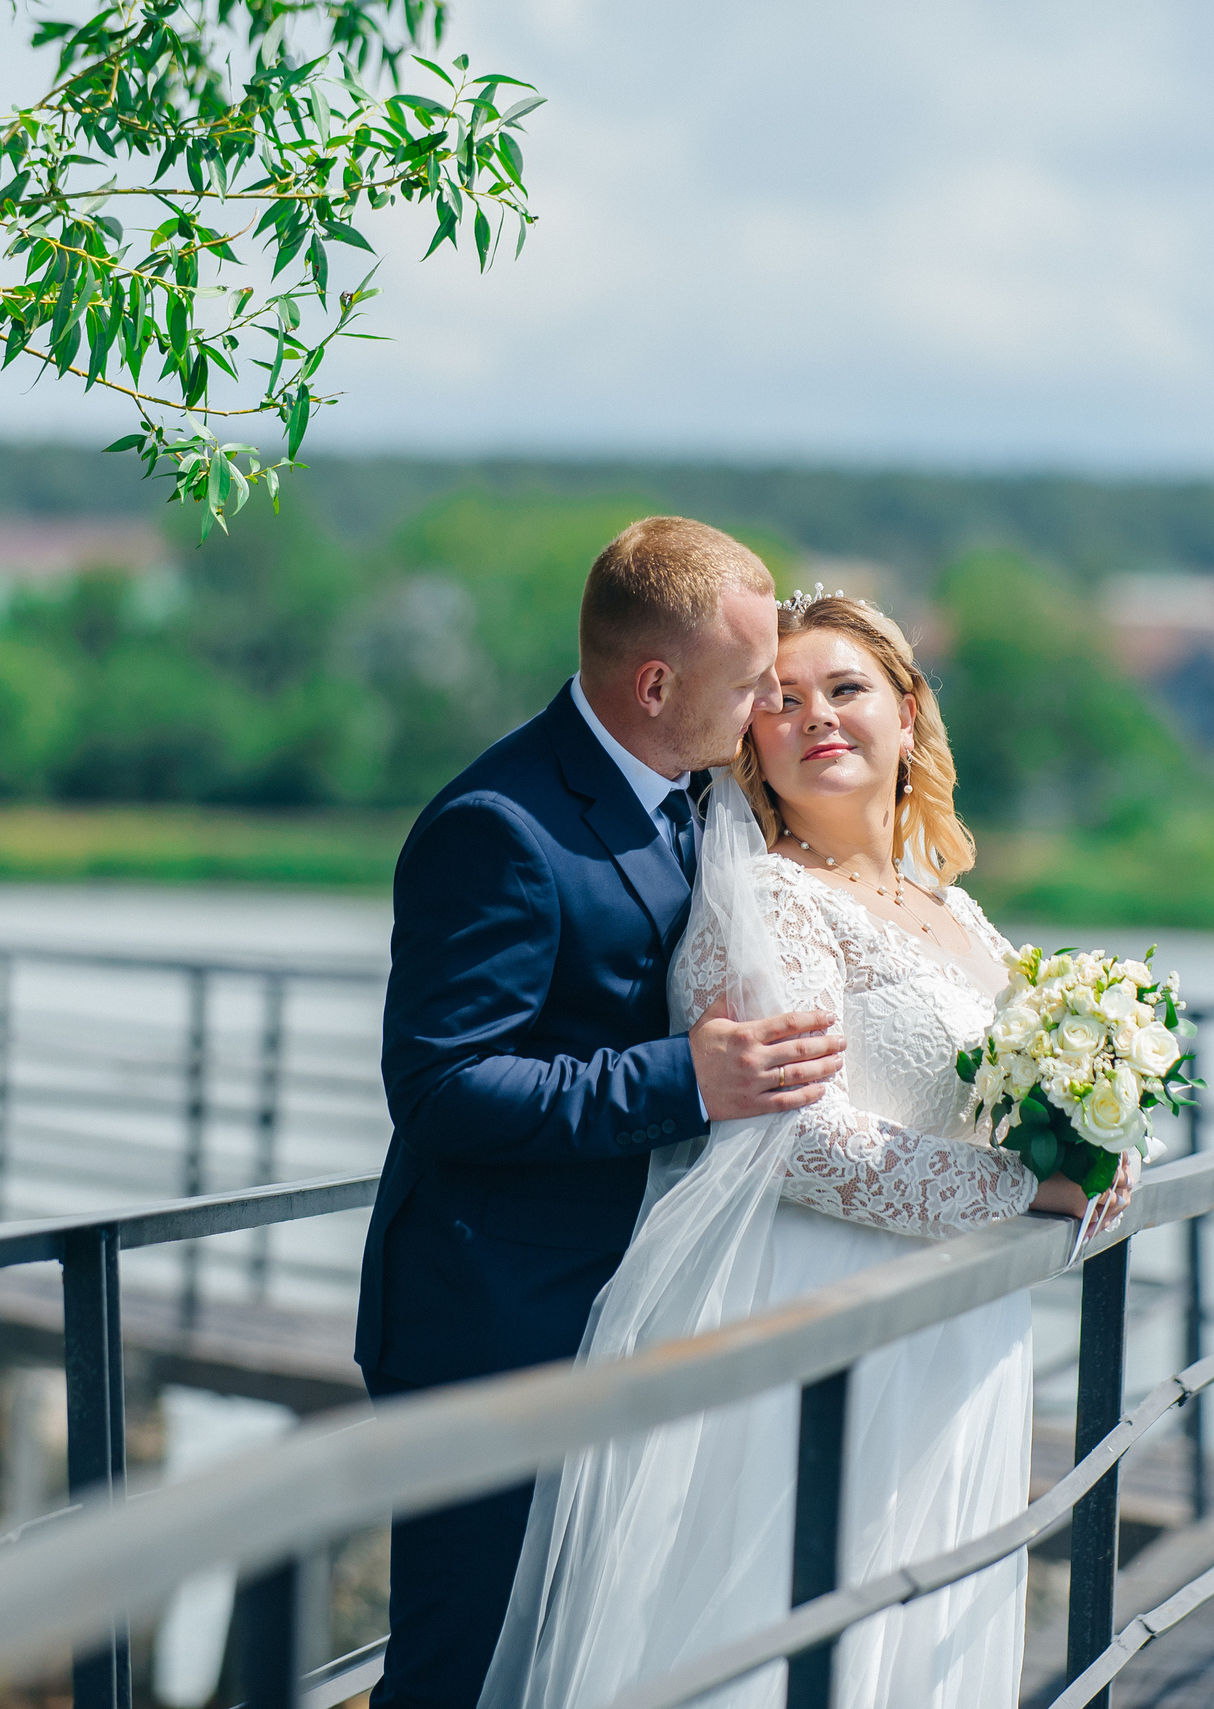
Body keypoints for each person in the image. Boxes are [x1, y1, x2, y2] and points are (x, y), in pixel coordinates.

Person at [480, 592, 1133, 1709]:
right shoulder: (765, 901)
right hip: (817, 1307)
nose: (815, 716)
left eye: (845, 689)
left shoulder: (957, 915)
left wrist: (1106, 1138)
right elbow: (794, 1136)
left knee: (914, 1632)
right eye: (779, 701)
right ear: (748, 743)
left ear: (908, 713)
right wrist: (1027, 1188)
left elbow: (1024, 1103)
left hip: (955, 1329)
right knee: (800, 1639)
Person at [362, 518, 853, 1708]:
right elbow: (439, 1085)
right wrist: (687, 1077)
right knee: (463, 1666)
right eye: (750, 688)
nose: (761, 715)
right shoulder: (499, 828)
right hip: (497, 1327)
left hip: (631, 1306)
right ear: (654, 682)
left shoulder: (692, 790)